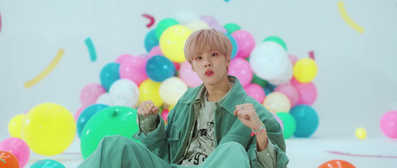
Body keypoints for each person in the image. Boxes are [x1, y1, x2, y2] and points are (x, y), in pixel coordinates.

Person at [78, 29, 289, 168]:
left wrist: (259, 131)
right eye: (199, 58)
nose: (206, 63)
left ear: (227, 60)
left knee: (232, 149)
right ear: (193, 66)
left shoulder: (256, 114)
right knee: (113, 144)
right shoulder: (187, 103)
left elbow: (273, 166)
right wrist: (151, 125)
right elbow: (163, 154)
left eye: (214, 55)